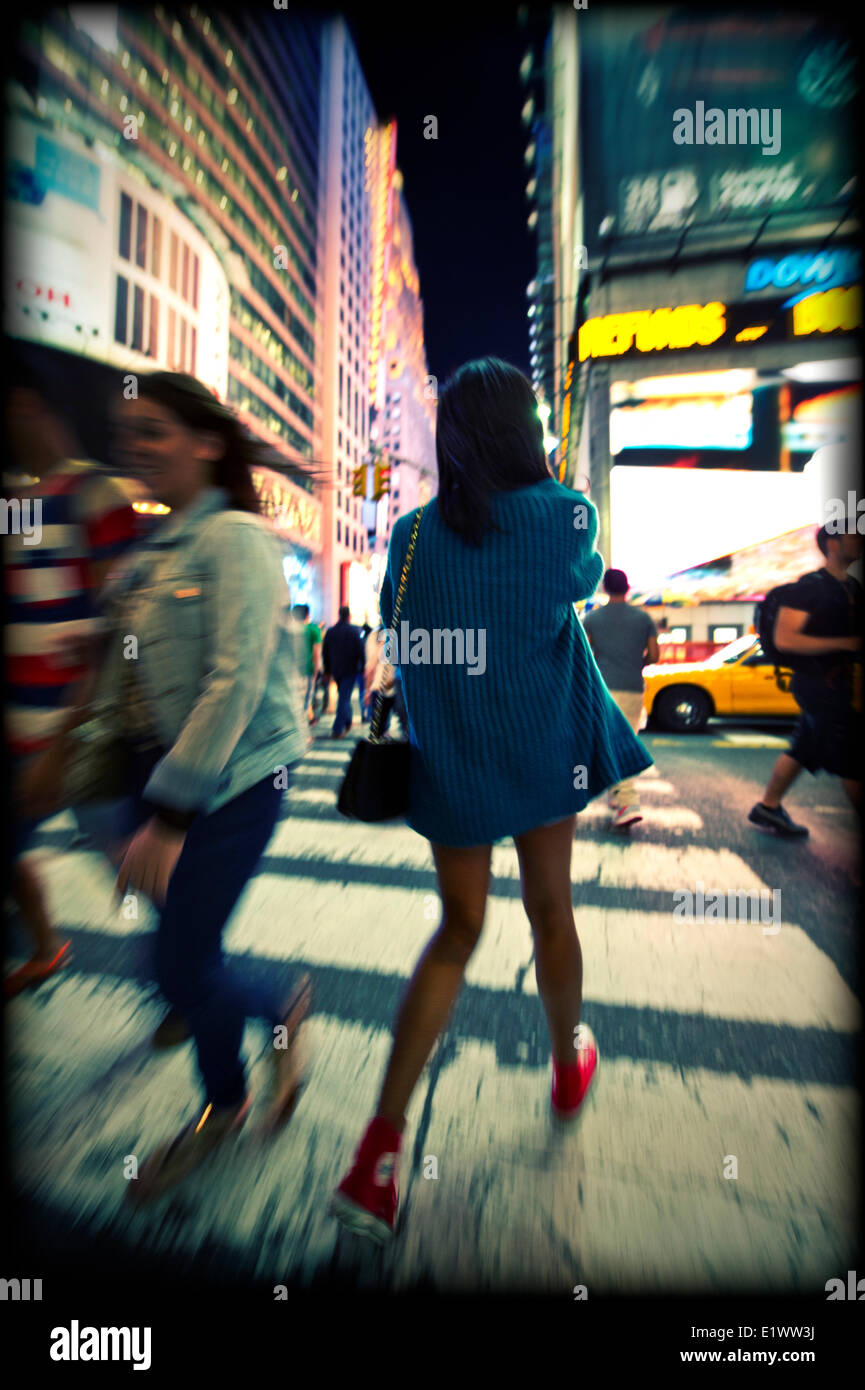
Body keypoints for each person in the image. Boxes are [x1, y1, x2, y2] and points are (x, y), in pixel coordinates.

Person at [330, 357, 652, 1243]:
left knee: (457, 930)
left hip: (456, 760)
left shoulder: (410, 535)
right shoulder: (561, 515)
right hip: (544, 750)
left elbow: (411, 637)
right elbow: (580, 581)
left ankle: (379, 1154)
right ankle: (564, 1062)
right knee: (553, 911)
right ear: (527, 429)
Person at [27, 372, 312, 1200]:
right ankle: (230, 1089)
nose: (137, 449)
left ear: (206, 442)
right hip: (162, 782)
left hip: (234, 783)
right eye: (129, 436)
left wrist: (172, 816)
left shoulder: (237, 539)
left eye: (154, 431)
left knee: (181, 965)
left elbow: (233, 681)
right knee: (179, 959)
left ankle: (273, 1016)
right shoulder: (153, 551)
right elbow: (119, 676)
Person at [4, 361, 141, 996]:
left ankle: (194, 981)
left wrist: (60, 744)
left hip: (80, 741)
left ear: (28, 406)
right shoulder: (21, 504)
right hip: (22, 737)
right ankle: (43, 946)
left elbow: (115, 638)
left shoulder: (97, 497)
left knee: (131, 867)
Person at [748, 523, 863, 837]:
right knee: (853, 760)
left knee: (803, 749)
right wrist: (847, 643)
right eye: (854, 537)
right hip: (818, 685)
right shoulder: (808, 588)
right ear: (834, 545)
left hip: (842, 685)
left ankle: (768, 807)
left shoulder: (852, 587)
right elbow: (786, 640)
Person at [582, 569, 659, 829]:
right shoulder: (643, 618)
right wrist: (638, 662)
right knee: (624, 741)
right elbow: (655, 655)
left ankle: (628, 801)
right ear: (627, 588)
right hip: (633, 688)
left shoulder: (592, 618)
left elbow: (584, 653)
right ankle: (617, 796)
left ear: (605, 588)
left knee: (612, 743)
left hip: (604, 688)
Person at [322, 605, 364, 739]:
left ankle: (348, 721)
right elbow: (360, 651)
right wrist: (362, 667)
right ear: (349, 616)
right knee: (344, 697)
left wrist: (327, 670)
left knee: (343, 696)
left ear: (339, 615)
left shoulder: (331, 631)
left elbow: (325, 652)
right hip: (350, 669)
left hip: (336, 669)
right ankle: (338, 728)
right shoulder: (354, 631)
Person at [292, 603, 322, 725]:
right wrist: (316, 672)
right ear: (307, 614)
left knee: (294, 702)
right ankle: (302, 731)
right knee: (305, 702)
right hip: (307, 671)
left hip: (291, 671)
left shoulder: (290, 629)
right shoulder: (314, 630)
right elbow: (316, 654)